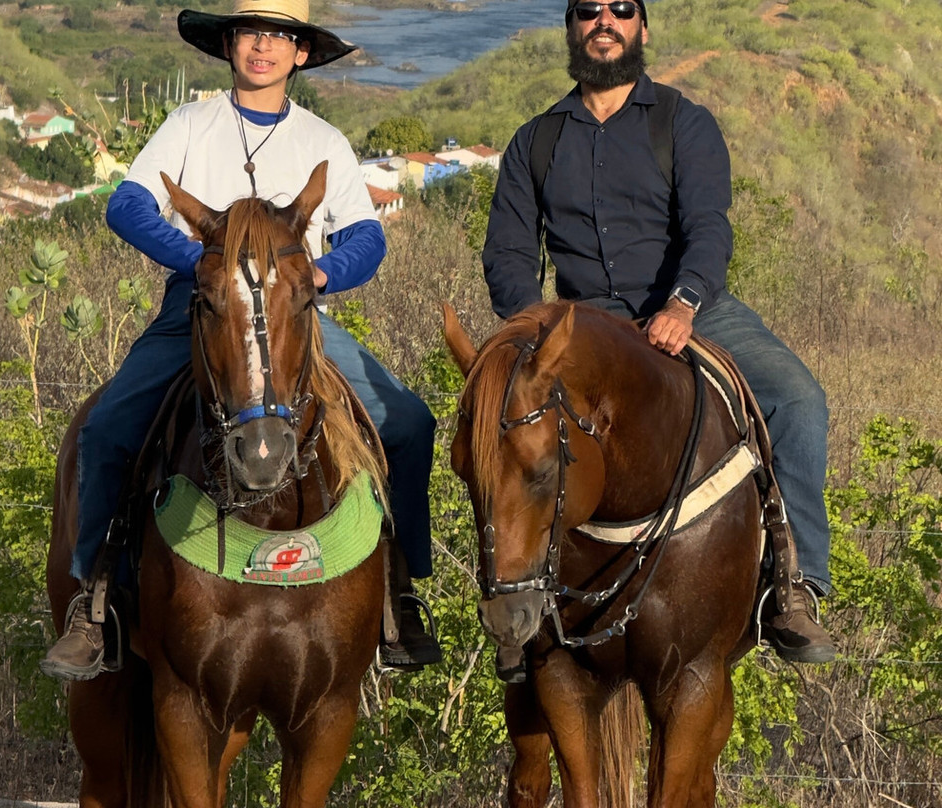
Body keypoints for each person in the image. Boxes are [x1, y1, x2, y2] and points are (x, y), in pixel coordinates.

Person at [41, 0, 441, 681]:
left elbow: (366, 236)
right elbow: (127, 202)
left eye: (280, 37)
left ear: (302, 53)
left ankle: (401, 592)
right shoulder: (191, 122)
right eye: (251, 33)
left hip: (291, 313)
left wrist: (318, 272)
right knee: (106, 428)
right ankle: (94, 596)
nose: (264, 47)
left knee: (407, 421)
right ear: (229, 44)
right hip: (201, 309)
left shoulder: (323, 140)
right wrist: (199, 264)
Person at [481, 0, 835, 663]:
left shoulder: (683, 123)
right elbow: (506, 253)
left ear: (642, 28)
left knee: (800, 401)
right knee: (495, 425)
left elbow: (710, 227)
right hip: (581, 324)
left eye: (621, 9)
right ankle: (513, 602)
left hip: (691, 309)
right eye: (589, 11)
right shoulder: (537, 140)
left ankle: (796, 583)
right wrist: (535, 328)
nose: (604, 21)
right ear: (572, 28)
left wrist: (683, 302)